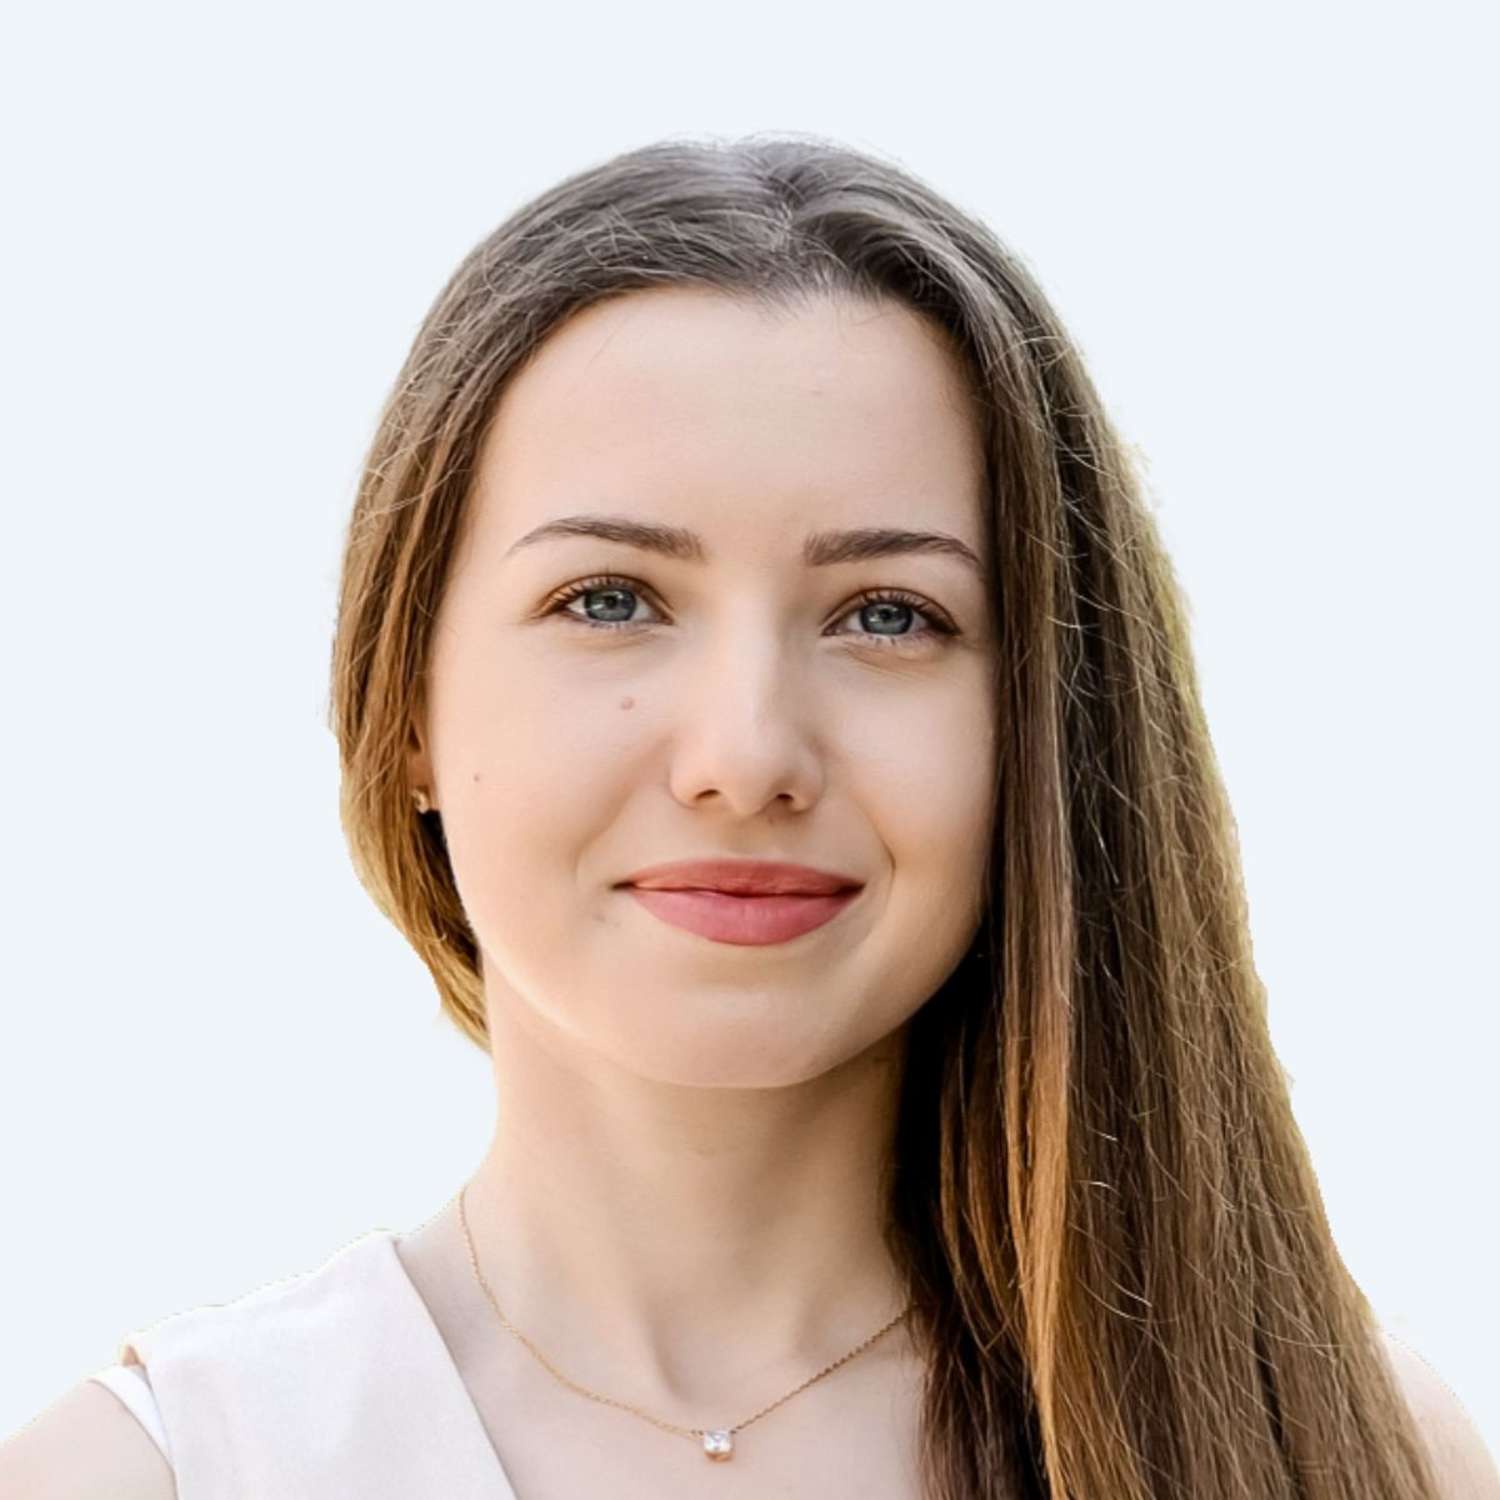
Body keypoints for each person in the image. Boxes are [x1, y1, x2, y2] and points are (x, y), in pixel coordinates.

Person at [4, 133, 1496, 1500]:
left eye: (889, 615)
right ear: (405, 711)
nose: (746, 756)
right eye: (610, 600)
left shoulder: (1345, 1449)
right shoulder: (150, 1476)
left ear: (1049, 726)